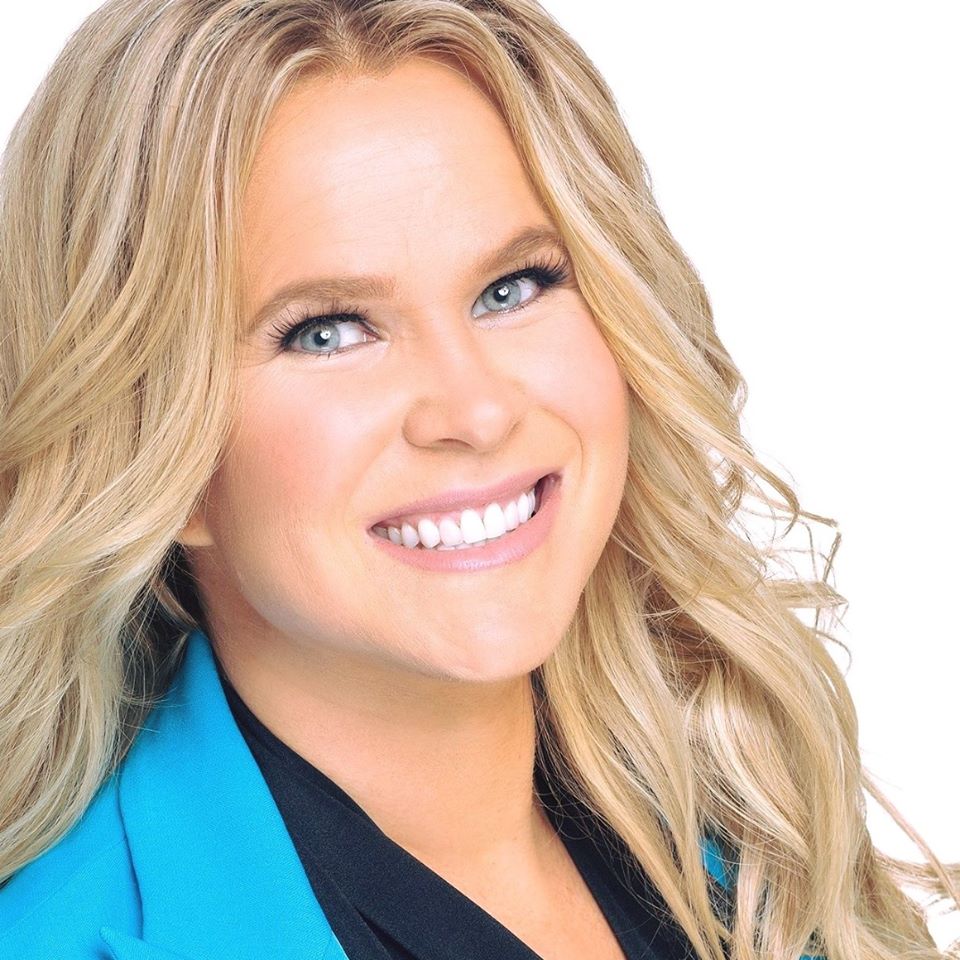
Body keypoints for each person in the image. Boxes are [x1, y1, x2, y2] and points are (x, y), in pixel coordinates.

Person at [0, 1, 956, 958]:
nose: (477, 409)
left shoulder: (753, 824)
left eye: (513, 288)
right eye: (327, 331)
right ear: (146, 443)